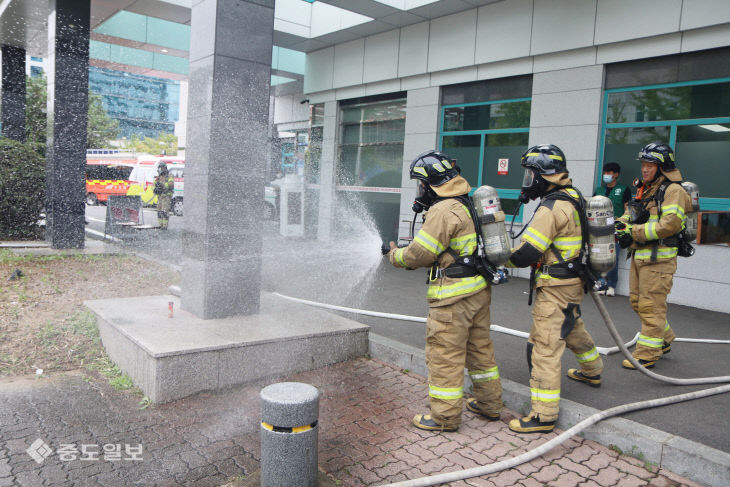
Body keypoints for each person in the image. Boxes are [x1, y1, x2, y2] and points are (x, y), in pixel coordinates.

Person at [385, 150, 503, 432]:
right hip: (478, 291)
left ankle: (445, 417)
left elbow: (419, 254)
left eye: (421, 184)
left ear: (431, 183)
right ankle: (490, 404)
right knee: (480, 350)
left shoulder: (442, 210)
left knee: (445, 354)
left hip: (452, 298)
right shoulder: (468, 202)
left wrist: (393, 255)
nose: (420, 190)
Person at [505, 144, 603, 434]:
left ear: (543, 175)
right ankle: (593, 370)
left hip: (556, 284)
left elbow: (526, 254)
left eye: (530, 174)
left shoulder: (550, 207)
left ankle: (543, 415)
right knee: (571, 326)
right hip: (573, 281)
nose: (527, 181)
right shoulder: (574, 196)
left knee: (545, 347)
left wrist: (500, 256)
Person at [614, 142, 691, 370]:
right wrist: (618, 224)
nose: (645, 169)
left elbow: (670, 224)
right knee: (638, 302)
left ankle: (647, 354)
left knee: (651, 306)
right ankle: (663, 340)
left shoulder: (673, 191)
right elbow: (632, 214)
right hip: (641, 255)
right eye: (644, 164)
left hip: (660, 259)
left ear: (663, 166)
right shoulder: (646, 189)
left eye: (650, 165)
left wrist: (633, 232)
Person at [593, 162, 631, 296]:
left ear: (616, 175)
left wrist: (622, 222)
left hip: (615, 229)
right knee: (599, 258)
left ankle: (611, 286)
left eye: (609, 173)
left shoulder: (624, 189)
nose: (606, 175)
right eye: (605, 173)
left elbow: (628, 209)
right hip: (599, 229)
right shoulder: (599, 190)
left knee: (613, 258)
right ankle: (600, 284)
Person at [154, 161, 174, 230]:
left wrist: (163, 185)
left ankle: (165, 226)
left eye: (162, 168)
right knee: (159, 212)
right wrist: (155, 189)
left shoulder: (169, 176)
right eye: (160, 168)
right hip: (159, 197)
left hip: (166, 197)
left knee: (164, 211)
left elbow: (171, 185)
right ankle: (160, 225)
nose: (161, 169)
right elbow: (154, 184)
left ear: (165, 168)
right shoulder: (158, 177)